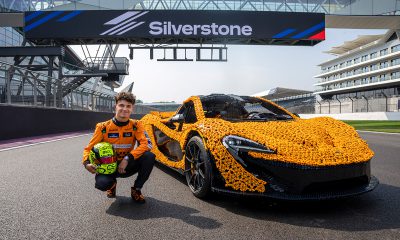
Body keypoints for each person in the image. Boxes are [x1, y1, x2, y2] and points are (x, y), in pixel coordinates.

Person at [82, 91, 155, 203]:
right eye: (121, 105)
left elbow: (146, 144)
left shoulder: (137, 125)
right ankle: (111, 185)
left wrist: (128, 158)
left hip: (127, 165)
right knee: (102, 184)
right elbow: (88, 148)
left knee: (149, 156)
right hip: (108, 166)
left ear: (132, 109)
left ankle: (136, 189)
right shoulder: (102, 127)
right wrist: (86, 163)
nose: (124, 109)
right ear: (115, 106)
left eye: (128, 106)